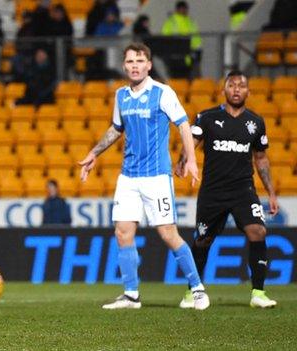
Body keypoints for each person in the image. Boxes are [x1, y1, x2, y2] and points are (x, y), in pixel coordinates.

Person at [78, 42, 209, 310]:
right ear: (124, 66)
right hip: (128, 177)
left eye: (139, 61)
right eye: (129, 61)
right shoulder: (121, 96)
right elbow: (116, 129)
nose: (134, 66)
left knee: (168, 233)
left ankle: (197, 289)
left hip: (157, 177)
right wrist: (94, 153)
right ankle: (131, 295)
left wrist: (192, 160)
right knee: (122, 232)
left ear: (149, 65)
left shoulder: (162, 92)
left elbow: (184, 125)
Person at [175, 70, 279, 309]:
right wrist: (183, 160)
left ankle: (258, 293)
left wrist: (271, 191)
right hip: (213, 190)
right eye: (231, 85)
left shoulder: (256, 123)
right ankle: (193, 291)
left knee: (258, 231)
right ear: (224, 90)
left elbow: (261, 159)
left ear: (248, 92)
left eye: (241, 86)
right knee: (203, 240)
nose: (236, 89)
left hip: (244, 189)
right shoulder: (207, 117)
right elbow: (192, 144)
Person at [161, 1, 202, 78]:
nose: (185, 11)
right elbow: (165, 37)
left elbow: (197, 38)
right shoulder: (171, 22)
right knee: (177, 78)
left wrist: (197, 50)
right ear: (178, 9)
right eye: (183, 9)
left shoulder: (190, 21)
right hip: (176, 56)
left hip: (190, 55)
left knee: (190, 78)